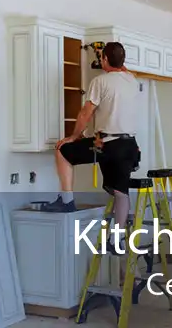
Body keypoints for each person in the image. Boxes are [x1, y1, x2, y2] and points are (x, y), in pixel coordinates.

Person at [42, 41, 140, 253]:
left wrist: (74, 136)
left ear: (104, 59)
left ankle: (67, 200)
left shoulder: (100, 82)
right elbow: (121, 68)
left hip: (106, 144)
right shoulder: (132, 80)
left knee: (63, 151)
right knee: (121, 192)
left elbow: (86, 113)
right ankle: (117, 240)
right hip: (129, 145)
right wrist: (110, 57)